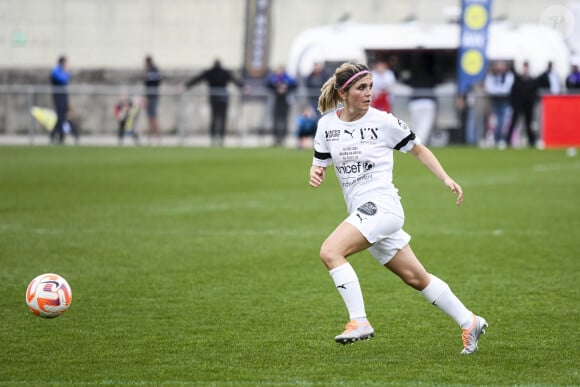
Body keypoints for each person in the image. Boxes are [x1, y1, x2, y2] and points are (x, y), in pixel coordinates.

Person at [309, 62, 487, 355]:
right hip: (364, 211)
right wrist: (316, 172)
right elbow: (319, 162)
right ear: (343, 93)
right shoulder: (327, 125)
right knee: (417, 277)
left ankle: (359, 321)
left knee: (330, 251)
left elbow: (418, 148)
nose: (368, 93)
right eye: (361, 88)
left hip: (383, 207)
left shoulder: (383, 121)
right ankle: (469, 321)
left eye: (370, 87)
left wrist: (445, 178)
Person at [180, 59, 244, 146]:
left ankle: (215, 138)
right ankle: (219, 138)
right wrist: (243, 87)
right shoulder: (224, 72)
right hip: (221, 98)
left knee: (215, 118)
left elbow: (197, 79)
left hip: (215, 98)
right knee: (220, 118)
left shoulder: (213, 72)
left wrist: (186, 86)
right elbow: (236, 81)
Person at [405, 53, 439, 145]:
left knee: (416, 126)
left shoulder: (414, 73)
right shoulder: (432, 73)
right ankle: (419, 146)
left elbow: (406, 82)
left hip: (415, 103)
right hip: (428, 102)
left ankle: (415, 145)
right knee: (424, 126)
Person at [505, 61, 538, 148]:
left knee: (528, 124)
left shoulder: (532, 81)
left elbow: (534, 94)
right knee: (513, 123)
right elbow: (513, 93)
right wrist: (513, 104)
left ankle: (531, 141)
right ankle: (508, 141)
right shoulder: (518, 80)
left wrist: (532, 103)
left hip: (528, 106)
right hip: (518, 105)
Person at [484, 61, 515, 149]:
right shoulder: (491, 76)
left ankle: (501, 138)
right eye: (498, 65)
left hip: (505, 101)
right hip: (494, 100)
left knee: (503, 121)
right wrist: (499, 90)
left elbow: (507, 89)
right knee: (494, 121)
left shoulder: (508, 75)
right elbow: (489, 88)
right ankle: (494, 138)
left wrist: (497, 90)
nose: (500, 67)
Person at [50, 55, 79, 144]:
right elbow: (63, 79)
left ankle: (60, 137)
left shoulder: (61, 71)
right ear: (62, 63)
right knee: (61, 117)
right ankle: (54, 135)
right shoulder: (56, 71)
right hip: (58, 97)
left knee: (63, 117)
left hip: (63, 96)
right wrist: (67, 72)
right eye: (66, 63)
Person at [266, 66, 297, 146]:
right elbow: (268, 84)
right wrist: (276, 89)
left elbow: (295, 84)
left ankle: (283, 137)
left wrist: (286, 89)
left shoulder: (287, 78)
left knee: (284, 120)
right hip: (276, 101)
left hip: (285, 102)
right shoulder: (274, 78)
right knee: (276, 119)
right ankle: (276, 138)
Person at [144, 56, 161, 144]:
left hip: (152, 96)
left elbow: (152, 83)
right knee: (150, 117)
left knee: (153, 117)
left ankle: (156, 136)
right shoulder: (150, 71)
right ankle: (151, 136)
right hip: (150, 96)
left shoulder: (153, 71)